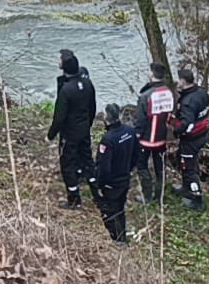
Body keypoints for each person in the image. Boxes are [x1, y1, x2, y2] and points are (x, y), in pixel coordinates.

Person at [46, 49, 96, 209]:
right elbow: (92, 107)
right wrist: (88, 124)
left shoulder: (66, 90)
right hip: (84, 129)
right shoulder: (87, 83)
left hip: (70, 133)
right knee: (87, 160)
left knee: (67, 164)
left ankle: (74, 199)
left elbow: (59, 117)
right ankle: (97, 192)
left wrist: (51, 135)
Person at [93, 104, 139, 244]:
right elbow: (136, 154)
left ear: (106, 120)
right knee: (120, 208)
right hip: (125, 178)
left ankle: (118, 239)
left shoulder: (108, 139)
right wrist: (129, 169)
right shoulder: (130, 132)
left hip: (112, 182)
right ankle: (122, 234)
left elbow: (104, 166)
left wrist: (100, 184)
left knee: (110, 210)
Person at [133, 63, 176, 205]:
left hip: (146, 139)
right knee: (160, 168)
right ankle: (160, 195)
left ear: (151, 74)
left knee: (142, 166)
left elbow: (140, 119)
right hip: (161, 138)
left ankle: (147, 196)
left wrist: (137, 136)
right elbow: (171, 115)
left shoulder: (146, 95)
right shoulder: (169, 93)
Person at [174, 66, 209, 211]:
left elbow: (186, 124)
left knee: (189, 168)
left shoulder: (187, 102)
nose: (177, 83)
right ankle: (186, 188)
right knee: (181, 159)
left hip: (191, 139)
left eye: (179, 80)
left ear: (183, 82)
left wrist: (176, 130)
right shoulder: (202, 93)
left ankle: (197, 199)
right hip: (203, 134)